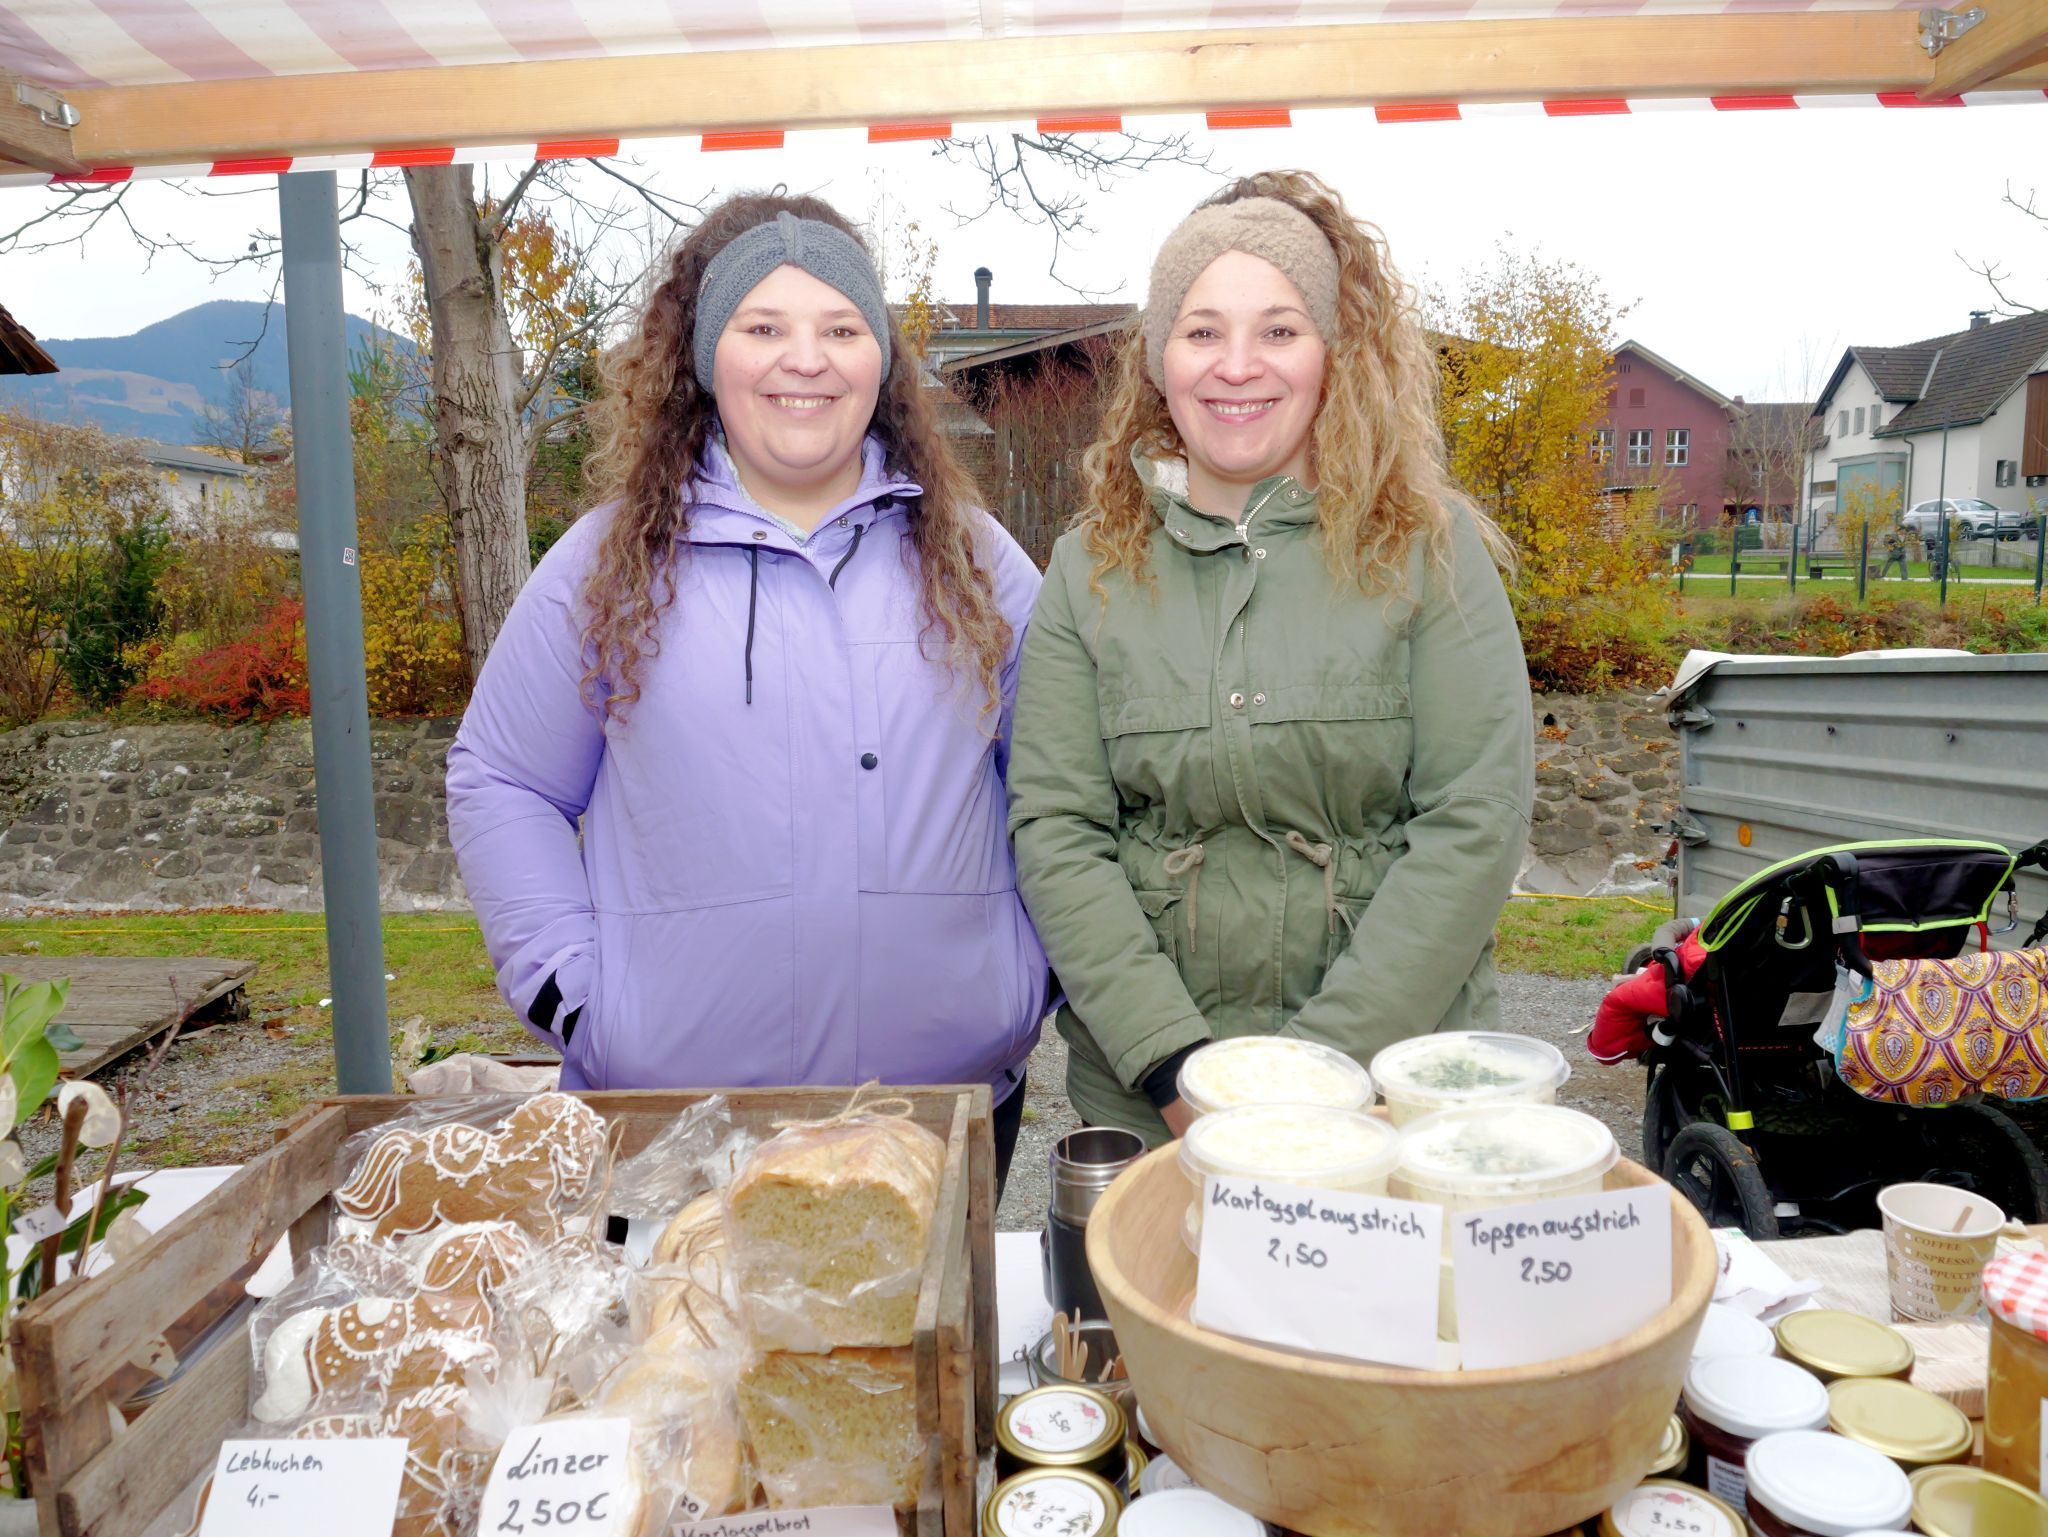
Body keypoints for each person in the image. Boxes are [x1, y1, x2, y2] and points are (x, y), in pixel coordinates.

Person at [446, 192, 1047, 1187]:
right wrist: (576, 995)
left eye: (839, 329)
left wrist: (1026, 979)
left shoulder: (977, 564)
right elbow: (504, 781)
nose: (802, 359)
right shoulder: (606, 566)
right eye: (761, 327)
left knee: (933, 1346)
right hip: (676, 1130)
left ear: (880, 363)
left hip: (940, 1120)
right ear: (702, 358)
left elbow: (1066, 787)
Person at [1006, 172, 1535, 1144]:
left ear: (1334, 353)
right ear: (1158, 362)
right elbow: (1056, 829)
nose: (1235, 365)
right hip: (1152, 1109)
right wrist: (1166, 1061)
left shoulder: (1427, 550)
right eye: (1201, 330)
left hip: (1391, 1097)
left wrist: (1316, 1076)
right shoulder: (1088, 570)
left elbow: (1472, 823)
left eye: (1278, 330)